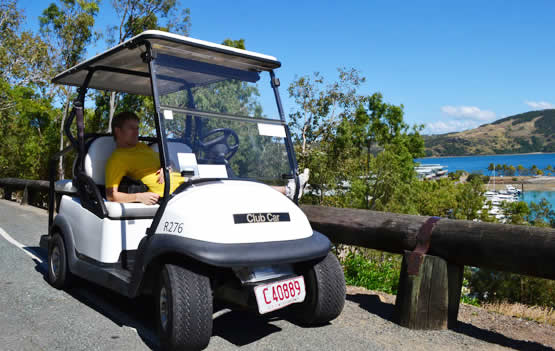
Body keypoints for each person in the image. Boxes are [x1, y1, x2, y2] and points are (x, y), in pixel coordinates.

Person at [105, 111, 309, 205]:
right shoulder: (118, 158)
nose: (137, 132)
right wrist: (139, 197)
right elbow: (111, 196)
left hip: (185, 183)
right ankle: (287, 190)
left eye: (137, 128)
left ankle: (287, 191)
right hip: (173, 194)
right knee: (231, 186)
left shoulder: (141, 147)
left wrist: (167, 167)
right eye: (132, 129)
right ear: (118, 131)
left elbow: (165, 164)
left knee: (231, 181)